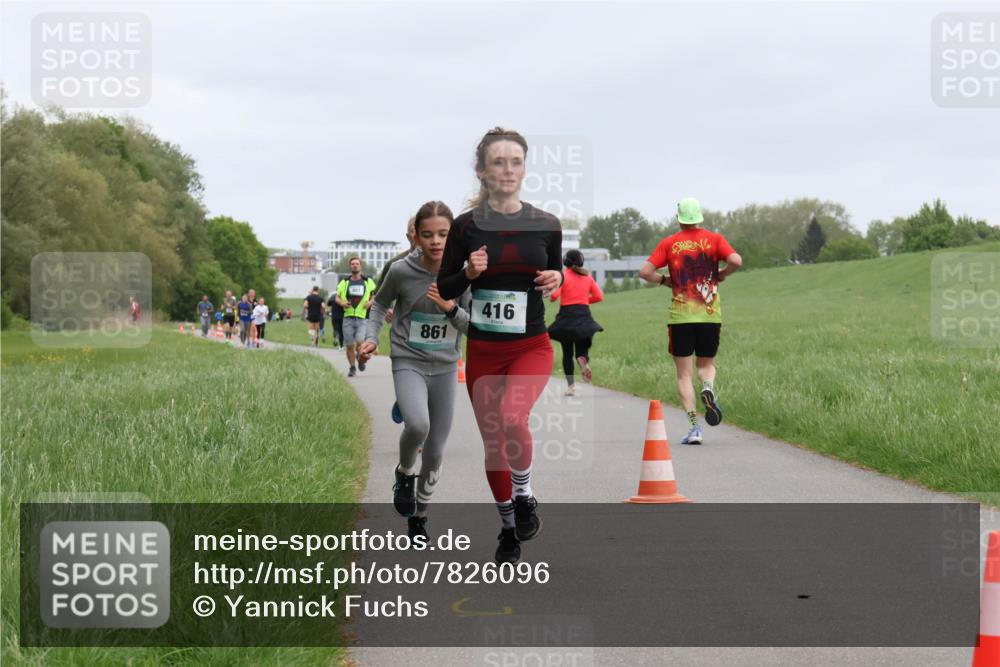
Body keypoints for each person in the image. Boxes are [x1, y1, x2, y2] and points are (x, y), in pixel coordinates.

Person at [437, 127, 562, 564]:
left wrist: (556, 279)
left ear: (524, 168)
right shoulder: (464, 227)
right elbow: (445, 285)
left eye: (515, 161)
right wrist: (468, 274)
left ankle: (525, 494)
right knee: (494, 443)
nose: (508, 170)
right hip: (485, 350)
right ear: (481, 171)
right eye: (498, 162)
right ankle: (508, 526)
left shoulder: (547, 225)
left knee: (512, 417)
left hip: (531, 345)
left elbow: (556, 274)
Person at [359, 201, 471, 540]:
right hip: (408, 358)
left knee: (436, 451)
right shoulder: (401, 271)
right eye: (428, 235)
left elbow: (471, 326)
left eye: (443, 234)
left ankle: (420, 516)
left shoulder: (465, 275)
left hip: (446, 365)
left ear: (454, 237)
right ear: (416, 237)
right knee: (418, 425)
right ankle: (405, 473)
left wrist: (451, 309)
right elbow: (379, 303)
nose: (436, 241)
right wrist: (370, 338)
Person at [638, 197, 742, 445]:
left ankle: (695, 428)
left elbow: (644, 272)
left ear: (679, 218)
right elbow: (736, 260)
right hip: (709, 315)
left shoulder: (670, 243)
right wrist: (722, 274)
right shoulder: (715, 239)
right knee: (706, 365)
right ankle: (707, 387)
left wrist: (664, 281)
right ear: (699, 216)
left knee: (683, 375)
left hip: (681, 317)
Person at [547, 249, 604, 396]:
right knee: (582, 350)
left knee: (567, 353)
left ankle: (571, 387)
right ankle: (583, 362)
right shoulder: (588, 278)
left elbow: (553, 296)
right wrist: (584, 300)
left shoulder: (564, 277)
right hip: (584, 316)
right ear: (581, 261)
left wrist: (553, 295)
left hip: (566, 318)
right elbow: (599, 296)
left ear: (565, 261)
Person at [335, 258, 377, 377]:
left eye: (357, 264)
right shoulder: (345, 282)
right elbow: (337, 297)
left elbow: (375, 296)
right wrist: (342, 303)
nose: (355, 266)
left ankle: (360, 358)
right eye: (352, 264)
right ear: (350, 266)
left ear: (360, 266)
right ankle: (352, 367)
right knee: (349, 345)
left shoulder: (368, 281)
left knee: (360, 342)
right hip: (347, 317)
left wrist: (370, 302)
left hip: (362, 317)